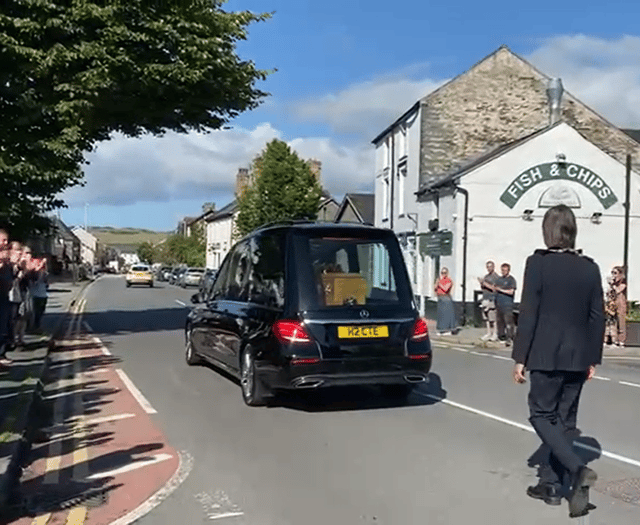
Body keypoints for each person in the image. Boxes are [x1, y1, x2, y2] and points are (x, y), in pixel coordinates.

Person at [512, 204, 604, 518]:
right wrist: (593, 357)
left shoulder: (537, 264)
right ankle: (552, 486)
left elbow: (529, 313)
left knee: (540, 415)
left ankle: (577, 470)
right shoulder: (590, 267)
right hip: (578, 356)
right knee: (564, 422)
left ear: (547, 231)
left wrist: (520, 357)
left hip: (545, 353)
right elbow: (597, 318)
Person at [494, 263, 517, 345]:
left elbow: (511, 292)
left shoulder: (511, 280)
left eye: (505, 270)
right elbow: (495, 288)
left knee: (509, 322)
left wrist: (501, 290)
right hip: (499, 304)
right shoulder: (499, 279)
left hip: (507, 304)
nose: (504, 272)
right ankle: (501, 336)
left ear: (508, 270)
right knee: (500, 322)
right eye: (502, 270)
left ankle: (510, 337)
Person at [478, 260, 499, 341]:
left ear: (493, 267)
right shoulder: (486, 277)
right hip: (485, 298)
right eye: (487, 267)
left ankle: (495, 334)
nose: (489, 268)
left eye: (490, 266)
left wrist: (485, 283)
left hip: (492, 299)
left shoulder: (495, 277)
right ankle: (488, 333)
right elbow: (483, 288)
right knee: (486, 317)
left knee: (492, 317)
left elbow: (494, 288)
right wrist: (481, 283)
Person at [0, 231, 12, 365]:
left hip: (4, 294)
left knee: (4, 326)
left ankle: (2, 355)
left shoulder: (5, 256)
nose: (5, 243)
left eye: (6, 240)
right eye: (3, 240)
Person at [434, 267, 456, 335]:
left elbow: (446, 289)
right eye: (442, 273)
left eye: (444, 273)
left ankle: (448, 330)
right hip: (440, 298)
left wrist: (439, 283)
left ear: (447, 273)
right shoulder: (439, 280)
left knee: (447, 315)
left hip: (446, 299)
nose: (443, 274)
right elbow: (435, 288)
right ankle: (441, 329)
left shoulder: (449, 280)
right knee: (441, 316)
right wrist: (436, 283)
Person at [30, 258, 49, 332]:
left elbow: (46, 284)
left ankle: (37, 327)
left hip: (43, 294)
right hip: (36, 295)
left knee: (41, 311)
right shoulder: (33, 273)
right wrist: (41, 267)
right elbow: (35, 282)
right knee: (36, 312)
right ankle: (35, 327)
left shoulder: (45, 273)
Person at [611, 266, 627, 347]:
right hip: (613, 302)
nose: (613, 275)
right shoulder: (613, 284)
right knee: (614, 321)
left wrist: (613, 285)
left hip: (620, 303)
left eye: (615, 273)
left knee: (621, 321)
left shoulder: (623, 283)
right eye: (612, 273)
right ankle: (615, 340)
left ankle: (621, 340)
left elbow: (618, 290)